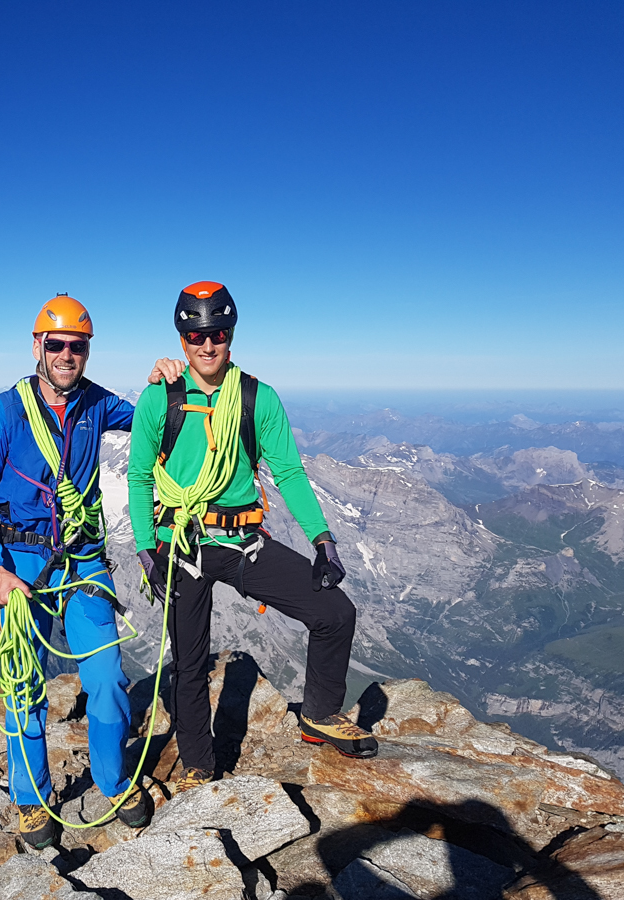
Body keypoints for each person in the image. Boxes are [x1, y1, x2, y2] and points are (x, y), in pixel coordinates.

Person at [128, 281, 378, 793]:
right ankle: (199, 763)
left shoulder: (257, 399)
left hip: (242, 542)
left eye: (216, 333)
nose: (206, 344)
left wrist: (322, 539)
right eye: (195, 335)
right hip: (182, 543)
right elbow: (139, 477)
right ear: (182, 339)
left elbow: (288, 473)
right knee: (190, 660)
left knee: (335, 613)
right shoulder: (159, 399)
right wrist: (146, 549)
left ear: (231, 334)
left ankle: (319, 714)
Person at [0, 294, 180, 849]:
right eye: (56, 344)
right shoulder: (4, 412)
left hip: (83, 561)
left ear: (86, 351)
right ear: (37, 346)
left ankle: (112, 781)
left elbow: (155, 420)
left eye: (76, 346)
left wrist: (164, 382)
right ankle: (31, 799)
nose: (66, 354)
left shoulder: (97, 404)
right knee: (23, 681)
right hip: (23, 566)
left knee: (106, 675)